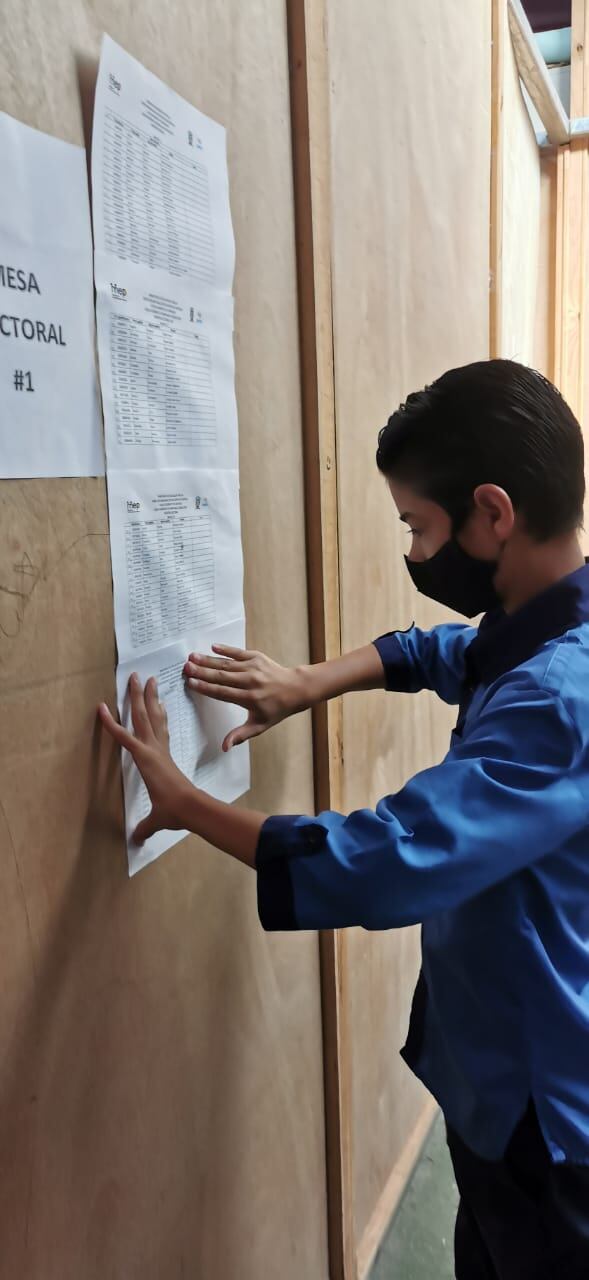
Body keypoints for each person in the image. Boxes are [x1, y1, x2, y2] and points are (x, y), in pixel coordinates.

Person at [99, 359, 589, 1280]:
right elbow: (452, 652)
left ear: (493, 513)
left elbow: (385, 859)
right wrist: (306, 683)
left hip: (541, 1114)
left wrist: (187, 803)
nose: (411, 552)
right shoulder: (544, 623)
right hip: (496, 1064)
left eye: (417, 525)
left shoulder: (559, 702)